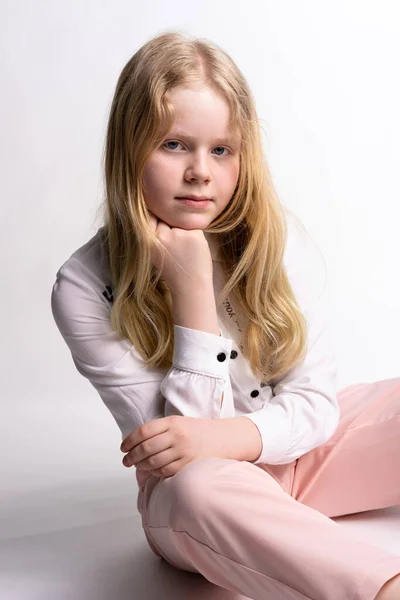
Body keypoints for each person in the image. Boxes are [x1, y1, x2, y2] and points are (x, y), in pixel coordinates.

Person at [51, 30, 400, 600]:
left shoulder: (273, 239)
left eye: (221, 150)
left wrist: (238, 436)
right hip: (195, 501)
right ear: (128, 148)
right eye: (173, 145)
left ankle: (277, 525)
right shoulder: (85, 286)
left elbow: (314, 406)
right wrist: (192, 293)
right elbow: (176, 455)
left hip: (300, 453)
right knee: (201, 488)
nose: (200, 172)